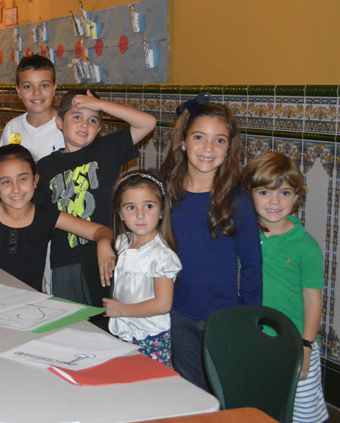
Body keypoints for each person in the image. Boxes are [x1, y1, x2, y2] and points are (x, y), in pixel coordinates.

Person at [159, 94, 262, 392]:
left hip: (225, 319)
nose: (208, 147)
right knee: (191, 394)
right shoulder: (166, 194)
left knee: (225, 392)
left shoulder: (238, 200)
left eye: (219, 140)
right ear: (183, 141)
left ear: (229, 148)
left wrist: (248, 321)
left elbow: (253, 265)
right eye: (199, 137)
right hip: (177, 314)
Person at [0, 144, 116, 293]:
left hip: (31, 305)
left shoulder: (47, 214)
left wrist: (104, 243)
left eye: (23, 179)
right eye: (6, 182)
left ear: (35, 181)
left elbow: (101, 231)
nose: (16, 189)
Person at [34, 89, 156, 306]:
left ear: (99, 128)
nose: (85, 125)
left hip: (109, 256)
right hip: (65, 262)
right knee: (72, 329)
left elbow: (147, 123)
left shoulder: (106, 149)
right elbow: (39, 222)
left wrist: (101, 105)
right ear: (60, 122)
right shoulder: (45, 167)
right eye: (77, 117)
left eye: (93, 120)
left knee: (108, 326)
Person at [243, 152, 328, 423]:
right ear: (250, 194)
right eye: (265, 192)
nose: (275, 201)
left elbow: (313, 301)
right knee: (259, 405)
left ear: (297, 197)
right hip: (255, 340)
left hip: (294, 343)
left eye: (285, 192)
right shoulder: (243, 235)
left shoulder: (306, 246)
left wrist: (305, 347)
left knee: (303, 412)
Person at [103, 170, 181, 367]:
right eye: (130, 207)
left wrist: (122, 310)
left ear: (162, 210)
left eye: (148, 206)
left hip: (150, 338)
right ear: (120, 214)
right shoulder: (123, 243)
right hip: (126, 332)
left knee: (151, 388)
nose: (140, 215)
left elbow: (163, 304)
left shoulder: (160, 255)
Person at [0, 55, 65, 162]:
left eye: (44, 85)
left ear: (54, 89)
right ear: (18, 91)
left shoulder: (66, 126)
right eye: (28, 86)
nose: (37, 92)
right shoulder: (12, 128)